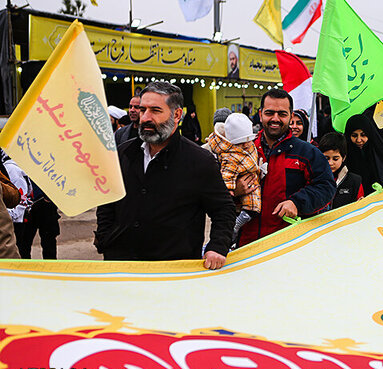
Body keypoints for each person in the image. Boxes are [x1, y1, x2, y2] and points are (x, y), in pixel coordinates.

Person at [95, 82, 235, 270]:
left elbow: (223, 210)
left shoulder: (199, 161)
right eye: (143, 109)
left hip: (173, 270)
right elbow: (107, 201)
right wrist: (105, 238)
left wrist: (217, 246)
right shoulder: (123, 154)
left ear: (177, 115)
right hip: (121, 266)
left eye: (155, 111)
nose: (145, 117)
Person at [236, 89, 336, 246]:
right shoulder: (243, 150)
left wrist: (297, 202)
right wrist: (235, 190)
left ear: (290, 116)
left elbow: (326, 186)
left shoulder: (307, 152)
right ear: (261, 114)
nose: (275, 119)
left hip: (288, 245)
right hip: (246, 245)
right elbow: (216, 190)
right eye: (270, 113)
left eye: (282, 114)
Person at [207, 113, 262, 246]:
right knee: (252, 209)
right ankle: (235, 226)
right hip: (242, 189)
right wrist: (230, 190)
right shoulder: (229, 156)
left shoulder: (247, 146)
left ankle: (235, 229)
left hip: (251, 182)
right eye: (241, 143)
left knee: (254, 208)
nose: (246, 145)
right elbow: (227, 174)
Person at [345, 113, 383, 195]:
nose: (359, 140)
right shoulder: (345, 154)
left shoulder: (378, 150)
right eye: (354, 136)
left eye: (363, 135)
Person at [319, 132, 364, 209]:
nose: (330, 163)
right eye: (326, 158)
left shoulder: (354, 181)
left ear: (343, 158)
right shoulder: (313, 179)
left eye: (335, 159)